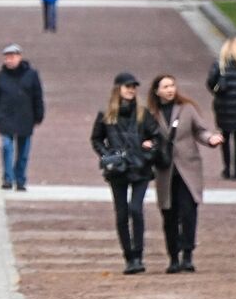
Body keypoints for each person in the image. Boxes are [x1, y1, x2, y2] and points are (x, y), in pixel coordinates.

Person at [148, 74, 223, 273]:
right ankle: (173, 257)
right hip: (165, 170)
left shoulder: (186, 109)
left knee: (189, 212)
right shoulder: (151, 113)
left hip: (188, 168)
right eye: (165, 87)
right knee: (169, 214)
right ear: (157, 91)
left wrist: (211, 139)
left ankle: (187, 255)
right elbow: (145, 135)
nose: (170, 90)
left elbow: (200, 130)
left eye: (172, 85)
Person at [91, 72, 162, 274]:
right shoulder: (106, 114)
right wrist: (108, 155)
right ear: (118, 89)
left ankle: (138, 254)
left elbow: (156, 137)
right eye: (127, 86)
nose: (131, 90)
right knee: (122, 213)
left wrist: (148, 152)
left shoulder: (142, 113)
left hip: (140, 168)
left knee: (136, 209)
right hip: (118, 170)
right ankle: (129, 257)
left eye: (133, 87)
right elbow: (96, 139)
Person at [0, 44, 45, 191]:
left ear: (19, 57)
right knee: (7, 147)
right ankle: (8, 178)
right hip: (5, 117)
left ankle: (20, 179)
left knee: (23, 152)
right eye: (7, 58)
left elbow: (37, 96)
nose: (9, 60)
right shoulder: (0, 76)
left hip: (25, 118)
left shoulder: (31, 75)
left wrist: (39, 115)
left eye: (12, 57)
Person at [205, 36, 236, 180]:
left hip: (224, 105)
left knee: (224, 136)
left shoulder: (220, 64)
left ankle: (226, 168)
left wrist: (216, 90)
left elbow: (210, 82)